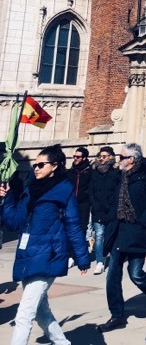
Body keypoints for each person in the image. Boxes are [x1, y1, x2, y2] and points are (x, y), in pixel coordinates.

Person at [0, 144, 90, 345]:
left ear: (55, 166)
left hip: (49, 256)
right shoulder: (30, 190)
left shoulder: (64, 191)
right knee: (42, 312)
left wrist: (82, 258)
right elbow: (15, 222)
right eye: (35, 165)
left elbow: (74, 225)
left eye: (41, 164)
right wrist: (8, 199)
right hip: (28, 254)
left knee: (24, 314)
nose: (36, 168)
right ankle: (62, 342)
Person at [98, 143, 146, 332]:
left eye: (122, 157)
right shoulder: (118, 176)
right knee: (112, 276)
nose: (119, 160)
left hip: (137, 231)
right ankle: (117, 315)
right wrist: (108, 217)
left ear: (132, 159)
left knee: (136, 274)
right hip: (118, 229)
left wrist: (143, 223)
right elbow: (110, 198)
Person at [89, 146, 120, 275]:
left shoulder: (116, 172)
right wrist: (94, 203)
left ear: (111, 157)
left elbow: (118, 191)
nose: (101, 159)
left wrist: (113, 206)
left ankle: (112, 260)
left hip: (111, 210)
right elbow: (90, 190)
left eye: (104, 156)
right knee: (99, 235)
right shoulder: (94, 171)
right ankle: (100, 262)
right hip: (97, 209)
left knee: (110, 235)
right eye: (100, 156)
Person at [67, 146, 92, 240]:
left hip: (84, 204)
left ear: (84, 158)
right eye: (74, 156)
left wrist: (87, 197)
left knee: (82, 228)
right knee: (69, 226)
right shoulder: (70, 172)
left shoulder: (89, 172)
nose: (75, 158)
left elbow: (92, 187)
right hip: (71, 203)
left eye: (78, 157)